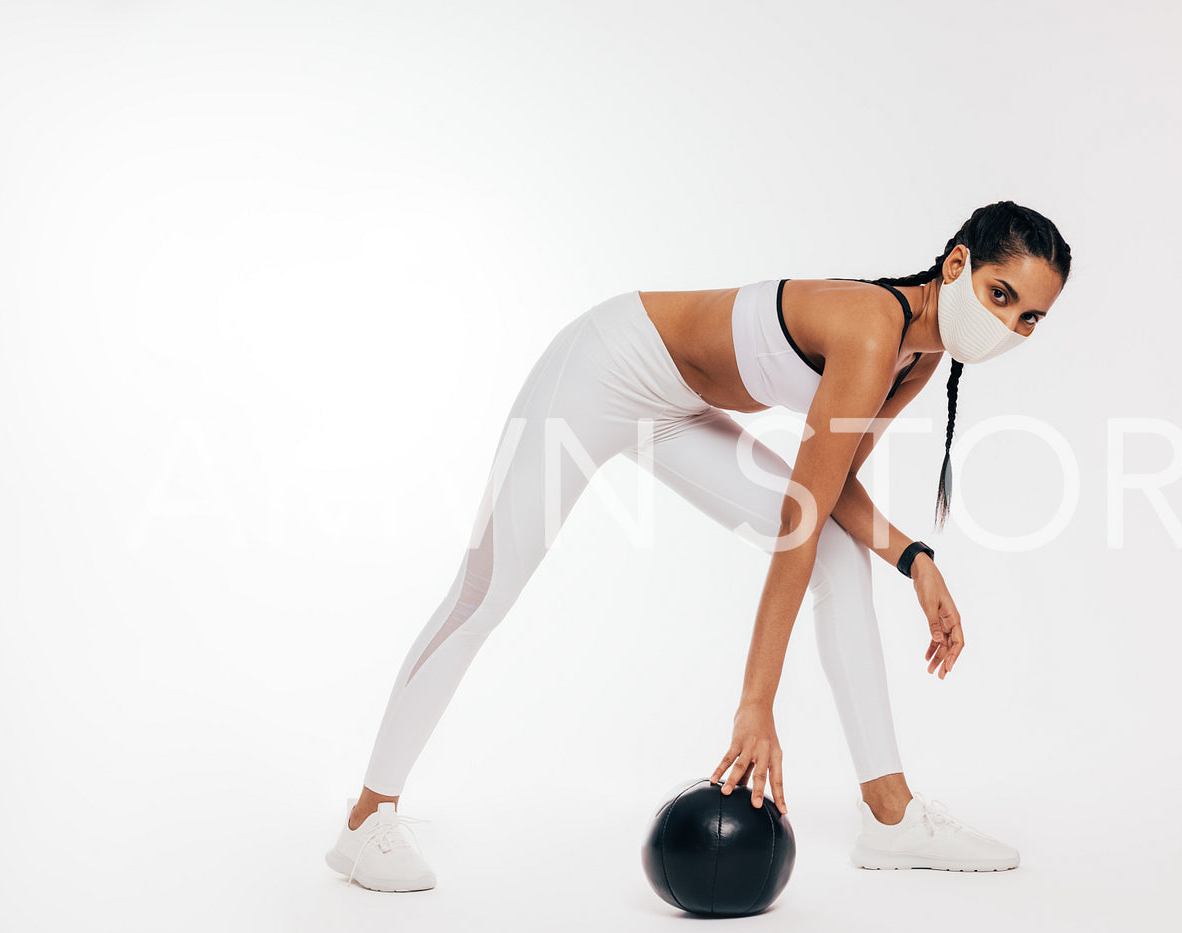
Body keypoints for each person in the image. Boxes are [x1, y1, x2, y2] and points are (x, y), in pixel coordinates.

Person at [325, 201, 1071, 892]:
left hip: (676, 411)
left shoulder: (919, 356)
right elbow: (799, 521)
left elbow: (831, 482)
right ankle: (367, 819)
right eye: (1000, 295)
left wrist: (913, 558)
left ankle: (890, 817)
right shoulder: (872, 329)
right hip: (603, 367)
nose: (1008, 325)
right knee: (485, 590)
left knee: (843, 557)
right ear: (955, 267)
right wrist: (756, 704)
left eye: (1030, 317)